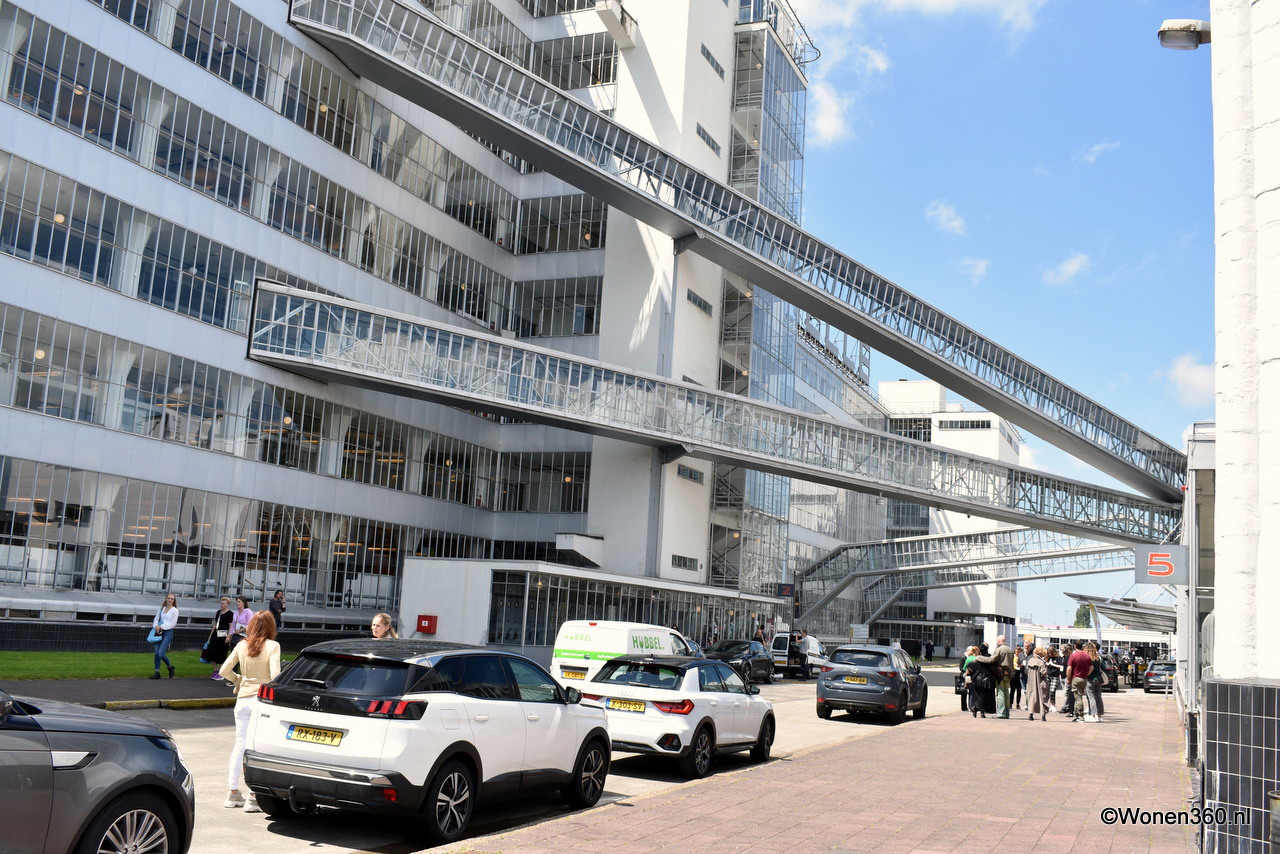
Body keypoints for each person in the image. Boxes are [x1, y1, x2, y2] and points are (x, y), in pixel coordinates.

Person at [219, 612, 280, 813]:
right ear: (271, 627)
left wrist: (239, 680)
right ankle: (254, 796)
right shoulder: (273, 646)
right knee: (257, 747)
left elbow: (224, 670)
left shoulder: (241, 645)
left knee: (240, 745)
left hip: (242, 699)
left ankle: (232, 792)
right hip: (261, 701)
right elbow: (275, 676)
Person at [976, 635, 1014, 719]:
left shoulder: (999, 649)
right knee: (1006, 694)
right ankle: (1007, 713)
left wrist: (979, 657)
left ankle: (1001, 713)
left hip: (1001, 675)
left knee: (1000, 693)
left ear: (998, 641)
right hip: (1008, 674)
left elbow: (991, 660)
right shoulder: (1010, 650)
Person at [149, 593, 179, 679]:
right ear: (166, 599)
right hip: (158, 632)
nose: (170, 600)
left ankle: (170, 667)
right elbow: (156, 619)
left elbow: (173, 624)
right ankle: (157, 672)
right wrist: (156, 626)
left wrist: (161, 626)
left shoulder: (175, 610)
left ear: (174, 601)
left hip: (167, 633)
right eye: (169, 598)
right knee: (156, 653)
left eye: (172, 599)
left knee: (160, 653)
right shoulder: (161, 609)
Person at [205, 597, 233, 680]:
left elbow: (230, 626)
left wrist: (228, 636)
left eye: (224, 603)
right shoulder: (218, 612)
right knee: (211, 652)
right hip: (216, 634)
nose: (222, 605)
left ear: (227, 604)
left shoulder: (230, 614)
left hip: (223, 636)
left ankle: (221, 672)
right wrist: (210, 636)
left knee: (222, 654)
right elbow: (215, 624)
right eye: (221, 603)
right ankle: (215, 670)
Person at [962, 645, 995, 718]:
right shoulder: (988, 660)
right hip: (986, 681)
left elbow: (968, 669)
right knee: (983, 696)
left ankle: (975, 707)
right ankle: (981, 712)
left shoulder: (975, 661)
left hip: (976, 680)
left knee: (977, 696)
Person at [1064, 641, 1094, 722]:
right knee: (1078, 695)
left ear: (1075, 646)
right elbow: (1091, 667)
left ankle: (1080, 715)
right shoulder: (1087, 656)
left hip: (1076, 678)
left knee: (1078, 697)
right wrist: (1086, 674)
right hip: (1084, 679)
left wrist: (1068, 679)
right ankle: (1076, 714)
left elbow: (1069, 669)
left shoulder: (1073, 656)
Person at [1025, 647, 1051, 721]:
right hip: (1040, 682)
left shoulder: (1030, 661)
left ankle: (1031, 714)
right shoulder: (1041, 662)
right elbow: (1043, 673)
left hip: (1031, 683)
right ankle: (1043, 715)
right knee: (1043, 698)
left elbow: (1027, 671)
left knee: (1031, 697)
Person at [1086, 642, 1106, 721]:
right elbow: (1104, 668)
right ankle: (1100, 716)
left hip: (1090, 679)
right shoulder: (1099, 658)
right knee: (1099, 698)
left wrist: (1086, 675)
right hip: (1098, 679)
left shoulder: (1088, 659)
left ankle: (1093, 715)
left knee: (1091, 698)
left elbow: (1089, 668)